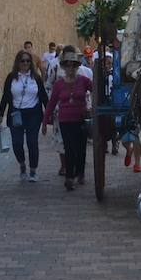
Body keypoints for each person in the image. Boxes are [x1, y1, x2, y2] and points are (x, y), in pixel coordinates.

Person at [0, 49, 47, 182]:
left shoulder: (36, 78)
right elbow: (6, 96)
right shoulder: (11, 77)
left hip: (33, 114)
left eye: (28, 61)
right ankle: (22, 165)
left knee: (32, 143)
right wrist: (1, 114)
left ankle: (33, 171)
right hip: (16, 114)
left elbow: (43, 96)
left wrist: (48, 113)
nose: (25, 63)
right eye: (22, 60)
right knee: (17, 143)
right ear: (17, 62)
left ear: (31, 63)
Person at [45, 49, 92, 191]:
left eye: (74, 65)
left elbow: (96, 90)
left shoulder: (84, 81)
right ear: (64, 67)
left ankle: (80, 172)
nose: (71, 68)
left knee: (80, 148)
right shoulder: (59, 84)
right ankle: (69, 177)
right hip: (65, 120)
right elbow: (52, 102)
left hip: (80, 119)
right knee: (69, 149)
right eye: (68, 65)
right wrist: (45, 120)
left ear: (77, 66)